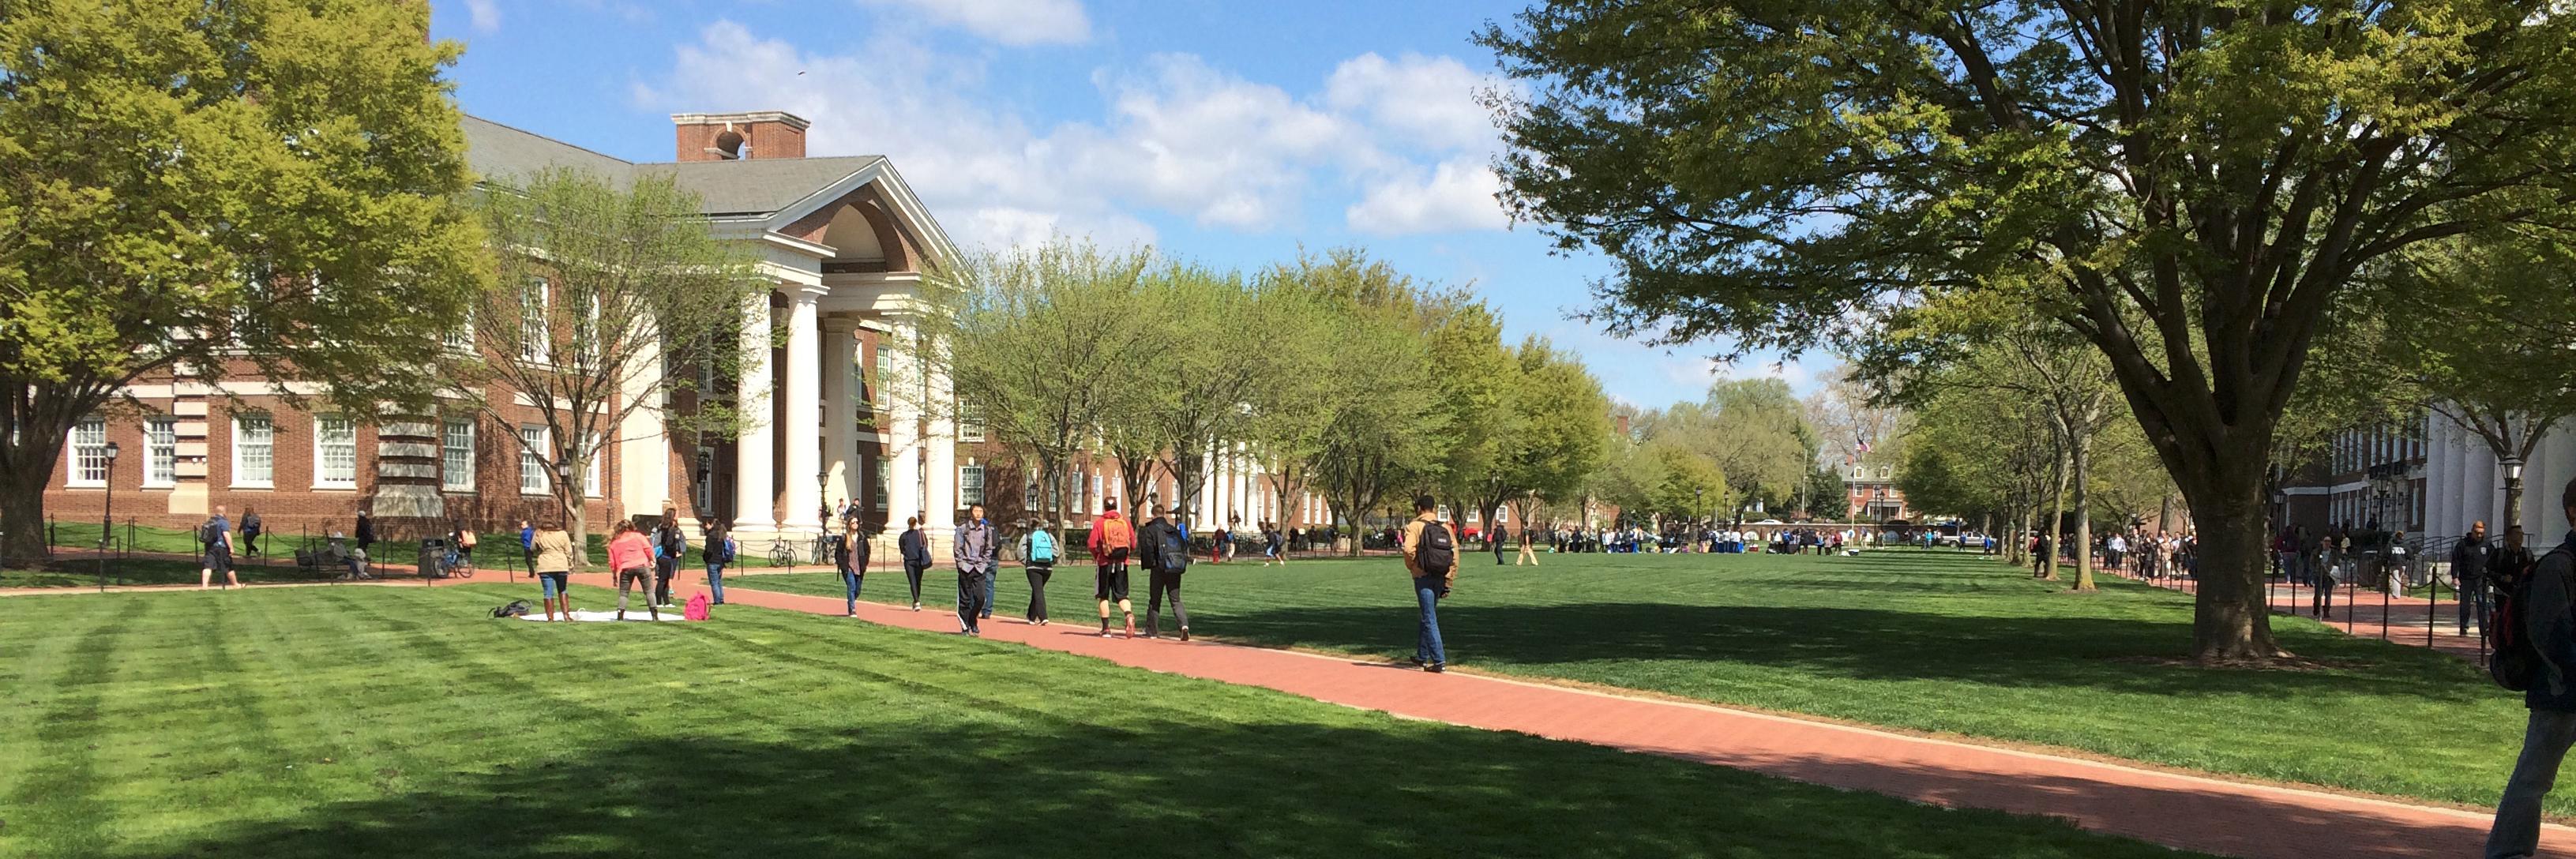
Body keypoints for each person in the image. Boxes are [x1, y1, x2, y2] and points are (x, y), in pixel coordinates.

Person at [2486, 476, 2576, 858]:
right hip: (2559, 696)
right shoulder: (2558, 566)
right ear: (2574, 513)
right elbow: (2549, 635)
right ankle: (2509, 852)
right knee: (2533, 780)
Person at [1399, 495, 1455, 673]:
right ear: (1435, 508)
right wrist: (1449, 579)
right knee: (1428, 614)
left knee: (1429, 617)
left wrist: (1414, 567)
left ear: (1418, 508)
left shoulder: (1414, 526)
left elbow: (1408, 549)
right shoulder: (1445, 527)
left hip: (1423, 577)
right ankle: (1422, 656)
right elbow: (1455, 555)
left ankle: (1439, 660)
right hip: (1440, 575)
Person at [1087, 497, 1140, 638]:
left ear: (1104, 507)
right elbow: (1133, 544)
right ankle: (1128, 615)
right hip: (1122, 564)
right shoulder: (1125, 522)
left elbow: (1092, 544)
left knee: (1103, 596)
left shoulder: (1100, 523)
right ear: (1116, 507)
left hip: (1105, 563)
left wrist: (1097, 555)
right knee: (1122, 595)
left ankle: (1106, 628)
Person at [1139, 505, 1190, 640]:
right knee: (1175, 600)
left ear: (1153, 515)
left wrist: (1148, 565)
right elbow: (1183, 547)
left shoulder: (1150, 530)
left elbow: (1148, 550)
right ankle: (1184, 626)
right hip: (1174, 567)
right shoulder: (1173, 530)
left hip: (1159, 568)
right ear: (1164, 515)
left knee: (1155, 600)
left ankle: (1152, 630)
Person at [954, 505, 996, 635]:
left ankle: (973, 620)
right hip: (966, 567)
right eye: (976, 511)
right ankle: (965, 627)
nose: (978, 514)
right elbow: (957, 548)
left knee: (981, 598)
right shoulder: (963, 529)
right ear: (971, 513)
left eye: (981, 511)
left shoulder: (987, 530)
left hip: (979, 568)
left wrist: (983, 564)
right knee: (965, 599)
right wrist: (961, 564)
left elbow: (989, 549)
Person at [607, 520, 657, 621]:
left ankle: (620, 615)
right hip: (642, 565)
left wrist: (614, 575)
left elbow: (612, 562)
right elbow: (648, 548)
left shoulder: (615, 542)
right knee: (649, 591)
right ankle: (654, 615)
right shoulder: (638, 536)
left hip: (626, 568)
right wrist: (652, 559)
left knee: (624, 593)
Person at [531, 520, 574, 621]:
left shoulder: (539, 533)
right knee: (563, 589)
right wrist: (570, 564)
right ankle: (566, 616)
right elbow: (569, 551)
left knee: (548, 592)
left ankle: (550, 618)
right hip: (560, 564)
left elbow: (532, 548)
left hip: (545, 564)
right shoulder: (563, 534)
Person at [1022, 520, 1057, 625]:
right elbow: (1056, 550)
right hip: (1047, 568)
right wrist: (1050, 559)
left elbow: (1020, 551)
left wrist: (1027, 562)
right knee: (1038, 590)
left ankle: (1043, 616)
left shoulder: (1028, 536)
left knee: (1038, 592)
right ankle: (1031, 616)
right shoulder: (1048, 535)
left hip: (1033, 567)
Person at [651, 507, 687, 608]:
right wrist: (674, 552)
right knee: (662, 579)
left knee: (666, 579)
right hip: (665, 556)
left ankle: (666, 601)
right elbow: (669, 543)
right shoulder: (668, 528)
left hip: (667, 556)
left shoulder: (667, 527)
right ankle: (658, 601)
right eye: (676, 514)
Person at [198, 505, 238, 590]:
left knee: (208, 566)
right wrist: (231, 547)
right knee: (228, 566)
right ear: (224, 512)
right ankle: (235, 584)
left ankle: (204, 586)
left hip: (210, 547)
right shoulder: (223, 522)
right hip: (221, 547)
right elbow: (226, 535)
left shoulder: (210, 520)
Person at [835, 519, 868, 617]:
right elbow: (838, 553)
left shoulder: (862, 538)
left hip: (859, 567)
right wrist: (843, 566)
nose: (855, 524)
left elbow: (867, 551)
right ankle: (852, 609)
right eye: (853, 522)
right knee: (852, 587)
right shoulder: (844, 538)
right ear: (849, 525)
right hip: (848, 567)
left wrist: (865, 563)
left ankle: (851, 600)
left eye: (857, 522)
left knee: (857, 590)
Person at [899, 516, 931, 611]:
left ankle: (916, 601)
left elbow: (902, 548)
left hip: (909, 561)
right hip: (919, 560)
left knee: (912, 581)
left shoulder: (904, 535)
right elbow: (926, 545)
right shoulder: (921, 534)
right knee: (918, 581)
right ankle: (916, 600)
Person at [704, 520, 734, 606]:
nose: (706, 526)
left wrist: (705, 558)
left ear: (712, 525)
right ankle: (721, 599)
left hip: (712, 561)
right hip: (720, 561)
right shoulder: (721, 535)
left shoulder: (711, 536)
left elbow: (709, 551)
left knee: (714, 582)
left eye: (707, 524)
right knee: (719, 582)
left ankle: (717, 601)